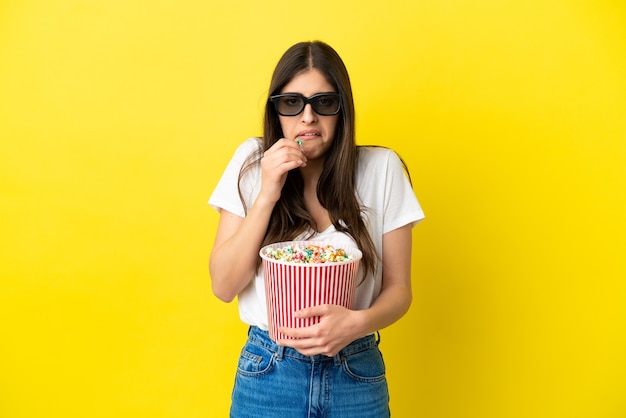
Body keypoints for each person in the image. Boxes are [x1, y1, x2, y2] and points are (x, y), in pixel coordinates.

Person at [208, 40, 424, 418]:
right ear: (276, 110)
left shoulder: (382, 169)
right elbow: (224, 286)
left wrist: (358, 323)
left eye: (323, 102)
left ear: (342, 109)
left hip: (355, 371)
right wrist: (267, 192)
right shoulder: (251, 162)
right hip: (269, 371)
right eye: (292, 103)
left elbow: (399, 290)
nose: (307, 117)